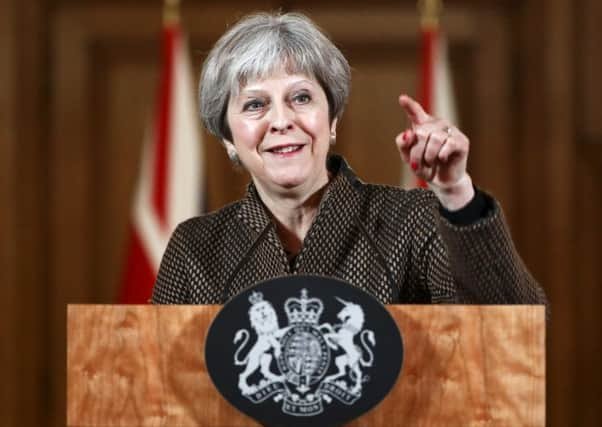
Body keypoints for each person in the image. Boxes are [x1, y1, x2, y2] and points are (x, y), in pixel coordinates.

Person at [151, 12, 548, 310]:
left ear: (333, 118)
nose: (282, 120)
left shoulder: (415, 221)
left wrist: (456, 193)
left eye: (301, 97)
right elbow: (158, 386)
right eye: (256, 104)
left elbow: (512, 326)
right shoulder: (195, 248)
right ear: (227, 138)